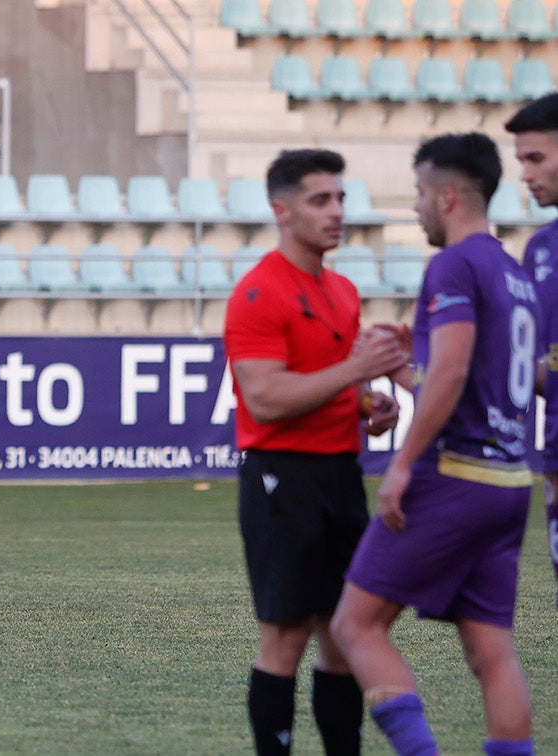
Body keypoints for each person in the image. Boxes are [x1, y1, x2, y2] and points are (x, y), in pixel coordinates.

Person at [330, 133, 538, 756]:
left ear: (448, 196)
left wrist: (401, 465)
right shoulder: (512, 271)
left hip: (454, 475)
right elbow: (467, 374)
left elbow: (448, 375)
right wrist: (404, 371)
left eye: (420, 193)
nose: (417, 207)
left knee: (355, 625)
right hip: (508, 484)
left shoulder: (452, 264)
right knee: (489, 650)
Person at [224, 148, 408, 756]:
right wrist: (357, 370)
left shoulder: (343, 290)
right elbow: (267, 398)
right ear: (282, 210)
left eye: (341, 198)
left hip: (339, 476)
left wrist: (367, 405)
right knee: (286, 637)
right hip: (281, 480)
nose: (337, 212)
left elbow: (335, 381)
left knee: (344, 633)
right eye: (320, 199)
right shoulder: (258, 293)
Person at [505, 93, 558, 608]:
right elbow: (546, 372)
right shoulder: (541, 249)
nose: (524, 173)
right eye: (521, 159)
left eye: (535, 158)